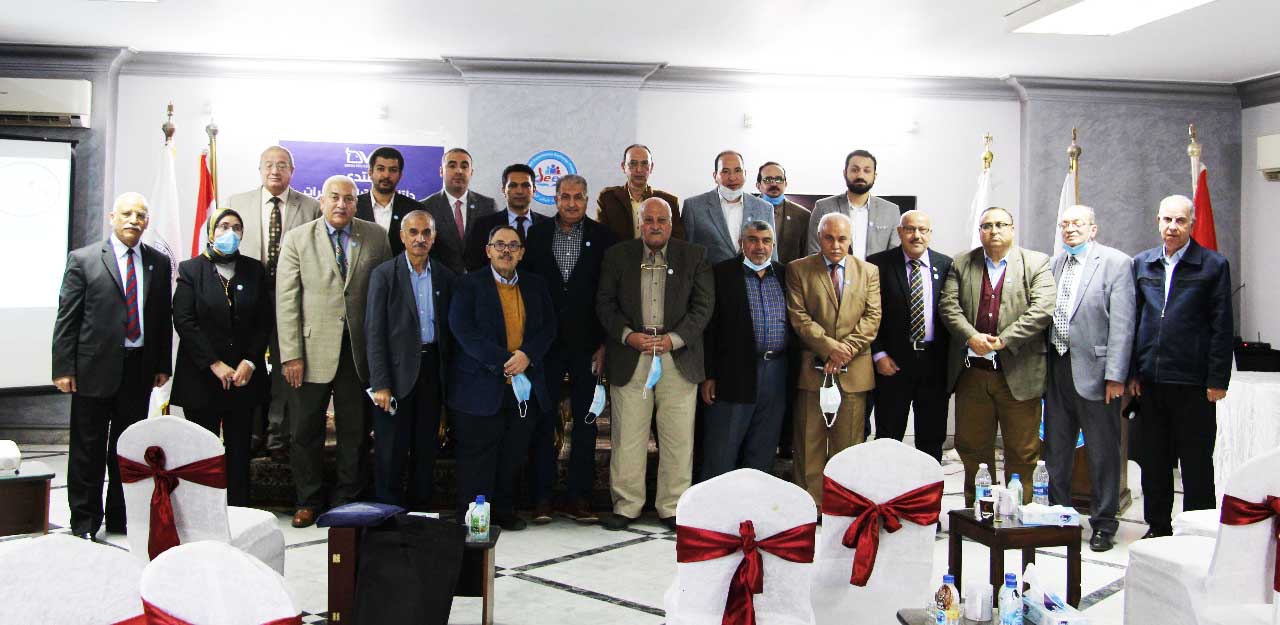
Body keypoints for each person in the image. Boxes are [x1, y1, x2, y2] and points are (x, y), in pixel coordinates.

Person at [52, 192, 172, 541]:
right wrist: (63, 367)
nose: (134, 220)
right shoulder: (84, 259)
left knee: (127, 447)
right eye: (127, 213)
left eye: (141, 215)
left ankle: (121, 517)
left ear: (147, 222)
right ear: (112, 217)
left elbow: (161, 318)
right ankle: (85, 521)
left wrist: (162, 363)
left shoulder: (157, 262)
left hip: (138, 369)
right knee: (87, 449)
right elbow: (67, 318)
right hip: (92, 370)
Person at [276, 175, 392, 527]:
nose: (342, 204)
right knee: (304, 431)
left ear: (357, 203)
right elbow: (286, 300)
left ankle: (346, 500)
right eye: (334, 197)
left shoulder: (376, 236)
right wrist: (291, 354)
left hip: (357, 353)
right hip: (309, 353)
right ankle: (307, 500)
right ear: (322, 201)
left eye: (349, 198)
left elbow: (385, 295)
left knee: (354, 431)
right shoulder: (297, 238)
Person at [597, 198, 713, 530]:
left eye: (662, 220)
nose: (655, 225)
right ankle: (626, 506)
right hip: (632, 355)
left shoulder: (695, 256)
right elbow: (604, 303)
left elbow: (703, 307)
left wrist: (673, 340)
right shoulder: (617, 256)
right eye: (648, 220)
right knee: (628, 437)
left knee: (678, 438)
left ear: (671, 223)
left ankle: (673, 507)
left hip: (677, 357)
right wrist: (628, 336)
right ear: (640, 223)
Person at [1129, 195, 1232, 539]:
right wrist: (1132, 372)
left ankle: (1197, 531)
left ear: (1192, 223)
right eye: (1167, 220)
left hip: (1194, 382)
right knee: (1154, 461)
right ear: (1158, 221)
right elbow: (1133, 321)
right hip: (1150, 381)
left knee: (1196, 462)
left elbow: (1222, 326)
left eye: (1180, 221)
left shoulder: (1213, 265)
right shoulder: (1142, 263)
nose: (1172, 227)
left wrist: (1218, 378)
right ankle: (1158, 527)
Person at [939, 206, 1055, 505]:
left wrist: (1004, 340)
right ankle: (980, 512)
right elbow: (949, 306)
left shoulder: (1036, 262)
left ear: (1012, 229)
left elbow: (1042, 309)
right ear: (980, 231)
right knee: (973, 449)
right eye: (987, 226)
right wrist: (971, 336)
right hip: (973, 375)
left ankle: (1020, 511)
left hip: (1019, 374)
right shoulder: (962, 263)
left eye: (1001, 224)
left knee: (1022, 451)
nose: (994, 231)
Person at [447, 224, 557, 531]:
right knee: (477, 458)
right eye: (499, 245)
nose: (506, 251)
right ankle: (474, 515)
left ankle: (504, 511)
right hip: (480, 387)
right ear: (488, 251)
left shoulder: (536, 285)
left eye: (513, 246)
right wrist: (507, 361)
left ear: (521, 253)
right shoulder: (468, 285)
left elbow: (549, 327)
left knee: (512, 454)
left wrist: (528, 355)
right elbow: (464, 331)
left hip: (523, 388)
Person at [522, 174, 616, 523]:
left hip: (588, 345)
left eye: (578, 197)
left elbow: (610, 294)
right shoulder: (537, 235)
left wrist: (604, 343)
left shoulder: (604, 238)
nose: (572, 203)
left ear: (587, 200)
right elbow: (528, 291)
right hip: (544, 346)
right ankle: (542, 497)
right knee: (544, 420)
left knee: (586, 421)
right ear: (555, 199)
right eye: (565, 197)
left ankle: (580, 498)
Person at [1042, 205, 1135, 552]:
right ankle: (1060, 517)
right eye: (1064, 224)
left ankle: (1104, 523)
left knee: (1102, 452)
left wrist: (1116, 376)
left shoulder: (1116, 263)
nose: (1070, 229)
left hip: (1098, 373)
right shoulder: (1054, 264)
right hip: (1056, 368)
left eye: (1078, 224)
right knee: (1056, 450)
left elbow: (1123, 324)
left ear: (1093, 229)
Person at [170, 208, 271, 507]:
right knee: (202, 450)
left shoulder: (254, 269)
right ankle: (203, 510)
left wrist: (250, 361)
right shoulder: (191, 269)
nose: (230, 233)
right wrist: (214, 363)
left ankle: (239, 510)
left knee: (240, 450)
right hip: (202, 377)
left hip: (243, 378)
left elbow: (264, 321)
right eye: (223, 226)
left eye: (236, 227)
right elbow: (184, 320)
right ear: (211, 232)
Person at [228, 145, 321, 462]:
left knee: (287, 368)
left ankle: (278, 436)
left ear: (292, 171)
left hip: (292, 299)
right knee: (248, 364)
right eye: (268, 164)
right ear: (260, 169)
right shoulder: (237, 203)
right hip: (248, 300)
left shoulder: (310, 207)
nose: (275, 170)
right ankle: (251, 433)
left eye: (282, 165)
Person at [785, 212, 881, 507]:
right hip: (812, 370)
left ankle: (843, 505)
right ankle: (810, 505)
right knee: (809, 442)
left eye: (842, 239)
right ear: (819, 237)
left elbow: (872, 318)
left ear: (850, 239)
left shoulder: (868, 271)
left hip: (854, 370)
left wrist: (845, 350)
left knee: (848, 444)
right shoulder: (799, 269)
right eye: (829, 238)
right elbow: (798, 317)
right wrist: (829, 348)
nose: (836, 245)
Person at [365, 210, 456, 510]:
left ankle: (420, 512)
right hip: (394, 373)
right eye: (413, 232)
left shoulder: (445, 276)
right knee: (390, 449)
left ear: (434, 237)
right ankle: (387, 512)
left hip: (432, 371)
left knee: (425, 447)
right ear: (402, 236)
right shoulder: (384, 274)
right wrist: (380, 383)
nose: (420, 238)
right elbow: (374, 332)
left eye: (426, 232)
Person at [700, 220, 790, 480]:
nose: (759, 246)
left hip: (776, 372)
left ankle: (755, 502)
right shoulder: (721, 273)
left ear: (773, 245)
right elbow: (709, 328)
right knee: (722, 450)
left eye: (766, 241)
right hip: (733, 373)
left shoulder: (785, 274)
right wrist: (709, 374)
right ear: (741, 243)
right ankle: (715, 503)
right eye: (752, 240)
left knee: (763, 449)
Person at [866, 210, 952, 463]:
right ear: (899, 232)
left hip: (934, 364)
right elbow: (868, 313)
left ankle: (928, 486)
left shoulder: (946, 265)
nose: (916, 235)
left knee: (931, 436)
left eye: (922, 230)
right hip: (892, 363)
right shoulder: (877, 264)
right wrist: (878, 354)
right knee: (888, 435)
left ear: (930, 233)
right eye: (910, 229)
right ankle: (887, 486)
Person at [681, 150, 775, 265]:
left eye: (738, 170)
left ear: (745, 173)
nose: (732, 177)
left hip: (752, 276)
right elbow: (686, 255)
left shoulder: (765, 208)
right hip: (710, 275)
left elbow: (772, 257)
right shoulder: (693, 207)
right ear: (715, 176)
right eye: (725, 171)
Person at [806, 149, 900, 259]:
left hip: (878, 271)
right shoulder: (823, 207)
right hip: (832, 270)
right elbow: (814, 254)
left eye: (867, 171)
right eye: (854, 170)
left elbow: (894, 256)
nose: (860, 175)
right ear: (845, 173)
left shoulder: (891, 211)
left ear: (874, 176)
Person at [419, 148, 496, 273]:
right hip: (440, 280)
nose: (459, 171)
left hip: (479, 280)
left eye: (464, 166)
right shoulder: (425, 207)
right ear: (441, 171)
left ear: (471, 172)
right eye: (452, 166)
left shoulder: (487, 206)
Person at [463, 164, 550, 271]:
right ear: (504, 190)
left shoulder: (548, 226)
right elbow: (473, 264)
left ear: (534, 190)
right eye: (513, 185)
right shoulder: (483, 225)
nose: (519, 191)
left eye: (525, 185)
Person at [596, 143, 684, 242]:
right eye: (633, 164)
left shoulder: (668, 202)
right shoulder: (608, 198)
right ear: (623, 167)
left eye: (644, 164)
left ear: (651, 167)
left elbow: (677, 243)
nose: (639, 169)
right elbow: (600, 238)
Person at [355, 146, 429, 259]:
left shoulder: (415, 209)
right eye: (381, 169)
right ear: (370, 172)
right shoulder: (353, 206)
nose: (386, 175)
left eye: (393, 170)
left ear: (400, 175)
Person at [756, 161, 811, 265]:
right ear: (758, 185)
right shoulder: (747, 210)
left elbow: (806, 256)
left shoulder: (802, 215)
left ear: (785, 184)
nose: (774, 184)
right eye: (768, 179)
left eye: (779, 179)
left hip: (789, 273)